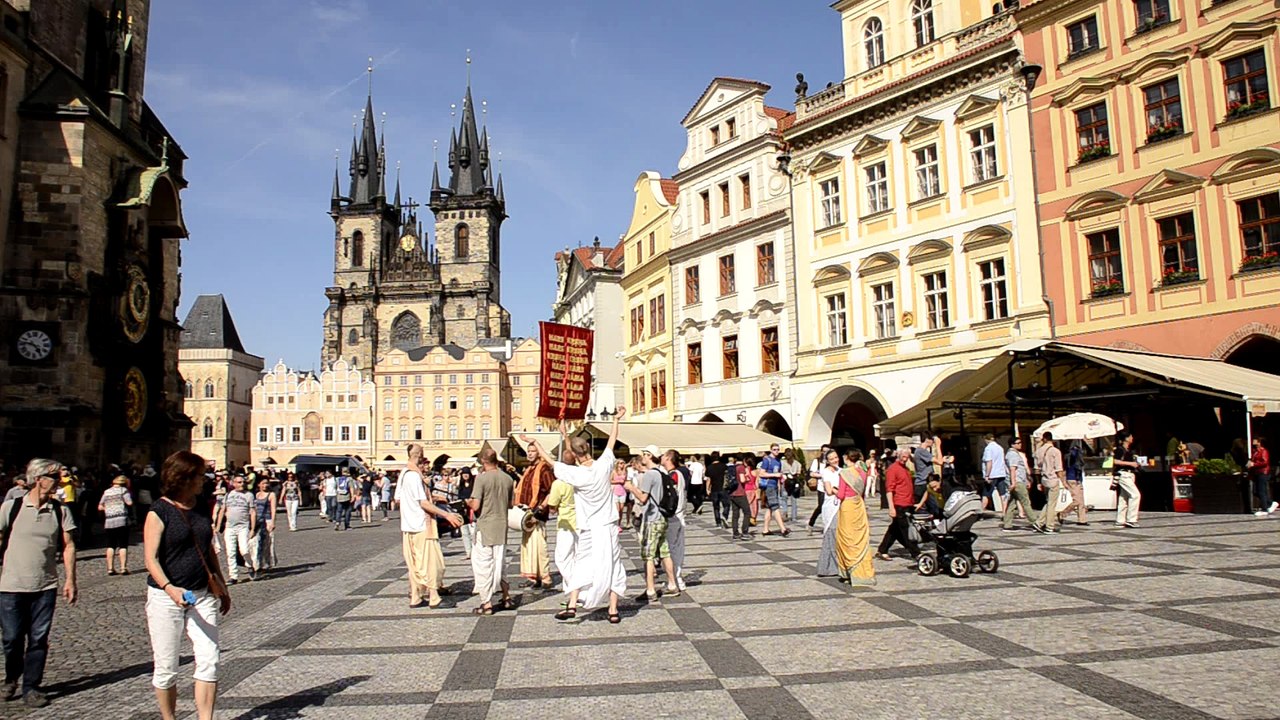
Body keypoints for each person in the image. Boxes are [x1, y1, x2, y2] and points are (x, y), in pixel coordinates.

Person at [143, 451, 229, 720]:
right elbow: (150, 559)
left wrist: (222, 585)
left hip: (202, 594)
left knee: (209, 660)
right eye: (200, 475)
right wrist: (170, 588)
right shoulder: (159, 511)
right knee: (167, 666)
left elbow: (208, 548)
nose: (204, 480)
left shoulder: (201, 504)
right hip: (166, 598)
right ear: (183, 478)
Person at [523, 409, 629, 623]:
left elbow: (551, 462)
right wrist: (616, 419)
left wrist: (542, 440)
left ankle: (572, 606)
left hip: (588, 527)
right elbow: (612, 440)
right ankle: (613, 610)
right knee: (613, 564)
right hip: (607, 525)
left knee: (581, 563)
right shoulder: (603, 466)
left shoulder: (576, 474)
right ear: (588, 449)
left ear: (575, 453)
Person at [0, 459, 77, 709]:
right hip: (11, 585)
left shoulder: (60, 510)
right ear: (38, 479)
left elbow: (69, 547)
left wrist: (70, 580)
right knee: (11, 638)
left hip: (45, 586)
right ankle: (11, 677)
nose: (58, 481)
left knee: (38, 639)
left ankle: (31, 686)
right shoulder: (11, 508)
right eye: (54, 476)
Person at [397, 445, 462, 608]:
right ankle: (434, 597)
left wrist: (433, 497)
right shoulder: (413, 476)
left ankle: (416, 597)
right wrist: (446, 514)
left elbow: (399, 498)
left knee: (415, 564)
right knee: (431, 562)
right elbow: (423, 502)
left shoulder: (404, 474)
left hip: (407, 525)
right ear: (418, 455)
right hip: (421, 525)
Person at [625, 446, 679, 602]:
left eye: (644, 454)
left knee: (648, 556)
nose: (642, 456)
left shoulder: (650, 475)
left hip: (652, 519)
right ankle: (672, 585)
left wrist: (631, 487)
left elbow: (643, 498)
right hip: (662, 517)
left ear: (649, 456)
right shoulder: (662, 473)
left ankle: (650, 590)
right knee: (664, 552)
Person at [467, 448, 515, 615]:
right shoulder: (508, 479)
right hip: (501, 526)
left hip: (485, 527)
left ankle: (486, 603)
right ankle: (506, 597)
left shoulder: (482, 479)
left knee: (483, 565)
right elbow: (510, 505)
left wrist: (468, 501)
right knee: (500, 563)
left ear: (483, 461)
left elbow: (476, 505)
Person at [515, 443, 555, 590]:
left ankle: (545, 577)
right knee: (528, 547)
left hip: (537, 514)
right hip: (526, 514)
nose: (530, 453)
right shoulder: (529, 469)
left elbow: (552, 490)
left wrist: (542, 506)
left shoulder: (543, 469)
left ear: (539, 453)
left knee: (539, 547)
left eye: (533, 451)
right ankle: (533, 577)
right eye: (529, 451)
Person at [832, 450, 876, 586]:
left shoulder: (844, 473)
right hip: (859, 506)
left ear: (846, 458)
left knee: (846, 538)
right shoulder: (862, 472)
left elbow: (840, 495)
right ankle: (862, 573)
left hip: (847, 507)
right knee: (859, 539)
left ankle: (847, 571)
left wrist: (832, 489)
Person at [538, 469, 577, 605]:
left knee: (562, 558)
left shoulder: (559, 483)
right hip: (582, 522)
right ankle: (575, 591)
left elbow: (553, 506)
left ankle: (574, 588)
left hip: (566, 522)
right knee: (577, 557)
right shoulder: (581, 478)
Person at [875, 449, 920, 560]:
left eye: (907, 457)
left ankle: (882, 549)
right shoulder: (893, 469)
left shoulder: (906, 468)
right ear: (898, 456)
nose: (906, 459)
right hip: (899, 504)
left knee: (895, 529)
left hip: (907, 502)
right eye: (904, 456)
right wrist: (891, 507)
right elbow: (889, 490)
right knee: (906, 529)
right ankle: (916, 553)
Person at [214, 476, 256, 583]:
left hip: (243, 526)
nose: (242, 484)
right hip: (230, 527)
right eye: (239, 482)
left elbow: (252, 512)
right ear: (234, 483)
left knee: (244, 550)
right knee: (230, 552)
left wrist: (252, 528)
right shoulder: (229, 495)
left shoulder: (249, 495)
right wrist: (218, 526)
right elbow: (223, 510)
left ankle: (250, 565)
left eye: (243, 482)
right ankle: (233, 576)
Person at [660, 450, 688, 592]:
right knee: (676, 548)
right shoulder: (678, 474)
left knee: (671, 549)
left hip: (673, 516)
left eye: (664, 456)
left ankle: (674, 579)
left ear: (669, 458)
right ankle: (677, 578)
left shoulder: (674, 475)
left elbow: (672, 495)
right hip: (678, 515)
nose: (661, 458)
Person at [99, 475, 134, 575]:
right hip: (121, 519)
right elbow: (129, 502)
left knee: (111, 544)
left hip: (109, 520)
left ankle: (110, 568)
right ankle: (123, 568)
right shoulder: (123, 490)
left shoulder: (107, 491)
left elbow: (100, 506)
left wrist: (109, 508)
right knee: (123, 544)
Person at [816, 449, 844, 575]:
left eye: (836, 457)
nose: (835, 460)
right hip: (830, 506)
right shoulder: (825, 472)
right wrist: (839, 491)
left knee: (835, 536)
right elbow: (828, 490)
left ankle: (828, 567)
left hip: (840, 505)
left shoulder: (841, 471)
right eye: (832, 459)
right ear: (827, 461)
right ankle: (830, 566)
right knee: (830, 534)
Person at [1034, 432, 1066, 533]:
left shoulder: (1038, 451)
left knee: (1048, 502)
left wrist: (1038, 482)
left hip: (1044, 479)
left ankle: (1039, 522)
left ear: (1044, 439)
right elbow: (1059, 469)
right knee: (1052, 504)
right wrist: (1064, 482)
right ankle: (1049, 526)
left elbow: (1036, 469)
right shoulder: (1055, 451)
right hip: (1053, 479)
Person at [1002, 438, 1036, 531]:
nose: (1020, 444)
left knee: (1012, 504)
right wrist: (1013, 483)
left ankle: (1007, 524)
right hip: (1017, 482)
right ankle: (1035, 522)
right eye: (1018, 443)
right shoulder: (1013, 454)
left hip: (1017, 481)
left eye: (1021, 442)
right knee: (1026, 502)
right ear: (1012, 445)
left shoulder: (1012, 454)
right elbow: (1013, 469)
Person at [758, 443, 790, 537]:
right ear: (771, 450)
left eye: (778, 449)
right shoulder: (767, 460)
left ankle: (765, 529)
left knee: (770, 508)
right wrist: (774, 475)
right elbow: (761, 473)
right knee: (775, 507)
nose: (776, 451)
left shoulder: (778, 461)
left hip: (775, 486)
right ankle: (783, 529)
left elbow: (778, 474)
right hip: (769, 486)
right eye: (774, 449)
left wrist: (780, 483)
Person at [1111, 432, 1142, 528]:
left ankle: (1120, 520)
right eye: (1130, 436)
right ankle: (1131, 519)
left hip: (1130, 474)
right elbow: (1115, 461)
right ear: (1126, 438)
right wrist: (1130, 464)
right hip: (1123, 474)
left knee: (1123, 498)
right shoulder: (1120, 449)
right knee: (1135, 495)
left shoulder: (1129, 450)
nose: (1132, 438)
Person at [1059, 439, 1089, 525]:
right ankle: (1063, 513)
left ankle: (1082, 519)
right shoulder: (1071, 454)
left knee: (1081, 501)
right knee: (1077, 500)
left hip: (1078, 478)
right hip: (1072, 478)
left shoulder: (1072, 453)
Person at [252, 479, 277, 572]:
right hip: (258, 520)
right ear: (259, 484)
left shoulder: (271, 495)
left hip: (268, 519)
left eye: (266, 483)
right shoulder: (256, 494)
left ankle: (266, 563)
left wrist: (273, 521)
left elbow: (273, 509)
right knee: (256, 542)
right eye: (263, 483)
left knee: (267, 542)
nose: (265, 485)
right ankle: (257, 563)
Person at [980, 434, 1009, 513]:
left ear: (986, 439)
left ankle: (981, 512)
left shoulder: (988, 449)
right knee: (1002, 494)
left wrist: (987, 475)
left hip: (992, 474)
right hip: (1001, 473)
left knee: (986, 494)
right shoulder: (1000, 448)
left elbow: (989, 462)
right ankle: (1004, 512)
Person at [1247, 437, 1275, 517]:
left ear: (1259, 442)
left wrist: (1254, 464)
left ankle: (1264, 509)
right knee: (1256, 491)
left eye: (1254, 441)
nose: (1253, 442)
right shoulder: (1255, 452)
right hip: (1256, 473)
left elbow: (1265, 462)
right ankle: (1270, 503)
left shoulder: (1263, 451)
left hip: (1262, 472)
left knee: (1261, 491)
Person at [727, 456, 753, 540]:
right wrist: (747, 478)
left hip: (732, 493)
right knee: (747, 512)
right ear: (743, 460)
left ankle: (735, 533)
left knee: (735, 514)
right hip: (740, 493)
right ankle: (745, 532)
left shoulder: (732, 467)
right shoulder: (741, 467)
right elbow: (742, 480)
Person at [807, 444, 831, 533]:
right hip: (821, 487)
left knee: (829, 507)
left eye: (827, 451)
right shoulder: (817, 461)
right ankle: (811, 523)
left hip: (830, 487)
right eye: (824, 451)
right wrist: (822, 475)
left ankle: (827, 525)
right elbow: (811, 473)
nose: (825, 453)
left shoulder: (831, 461)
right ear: (821, 452)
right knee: (821, 506)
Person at [456, 468, 477, 558]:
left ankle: (476, 551)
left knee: (473, 531)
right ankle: (468, 552)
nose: (465, 475)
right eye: (464, 474)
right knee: (464, 532)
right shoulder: (460, 485)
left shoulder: (474, 484)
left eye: (467, 474)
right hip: (462, 510)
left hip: (472, 510)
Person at [781, 448, 803, 523]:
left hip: (792, 482)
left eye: (789, 454)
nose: (788, 456)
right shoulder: (783, 463)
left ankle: (792, 516)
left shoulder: (797, 463)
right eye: (787, 454)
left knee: (792, 499)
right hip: (785, 482)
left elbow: (798, 473)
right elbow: (781, 472)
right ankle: (787, 514)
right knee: (785, 498)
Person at [707, 452, 729, 528]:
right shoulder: (724, 466)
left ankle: (718, 522)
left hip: (714, 489)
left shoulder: (709, 467)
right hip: (723, 488)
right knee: (726, 504)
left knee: (716, 506)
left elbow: (708, 479)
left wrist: (707, 489)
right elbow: (727, 476)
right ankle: (724, 515)